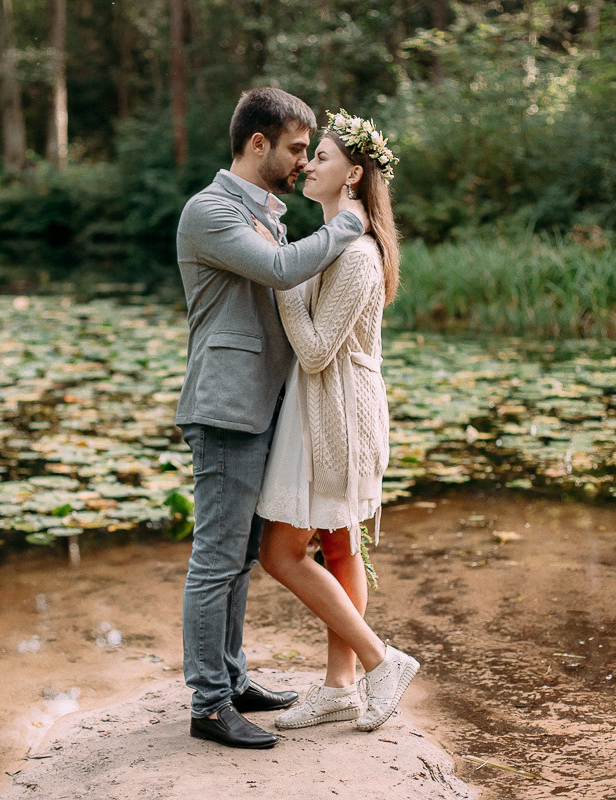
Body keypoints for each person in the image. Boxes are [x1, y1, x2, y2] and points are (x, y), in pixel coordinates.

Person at [175, 88, 369, 750]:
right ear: (256, 143)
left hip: (265, 406)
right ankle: (208, 705)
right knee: (217, 557)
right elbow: (282, 271)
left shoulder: (267, 214)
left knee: (237, 562)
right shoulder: (210, 212)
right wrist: (348, 220)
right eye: (292, 148)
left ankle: (231, 679)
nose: (299, 161)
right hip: (228, 407)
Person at [253, 110, 418, 733]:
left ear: (352, 175)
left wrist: (282, 282)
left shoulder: (356, 255)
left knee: (281, 552)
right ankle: (340, 687)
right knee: (342, 543)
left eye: (319, 157)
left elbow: (319, 349)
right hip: (325, 404)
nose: (308, 165)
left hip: (339, 411)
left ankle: (380, 661)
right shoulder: (332, 243)